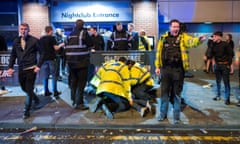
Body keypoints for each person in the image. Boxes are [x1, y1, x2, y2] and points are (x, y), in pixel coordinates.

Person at [154, 19, 206, 124]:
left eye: (177, 27)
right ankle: (162, 114)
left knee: (177, 94)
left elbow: (191, 42)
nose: (176, 28)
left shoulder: (183, 37)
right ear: (170, 27)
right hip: (165, 70)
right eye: (174, 26)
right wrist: (157, 66)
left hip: (178, 70)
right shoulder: (163, 38)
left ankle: (176, 117)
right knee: (164, 94)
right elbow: (159, 53)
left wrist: (198, 40)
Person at [7, 23, 44, 119]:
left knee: (28, 89)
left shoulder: (34, 40)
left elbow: (42, 53)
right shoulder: (16, 41)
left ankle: (26, 110)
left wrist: (38, 66)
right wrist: (10, 67)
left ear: (29, 30)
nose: (23, 31)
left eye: (25, 29)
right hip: (21, 68)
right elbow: (13, 55)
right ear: (19, 30)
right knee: (24, 88)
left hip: (31, 68)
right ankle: (35, 98)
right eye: (22, 29)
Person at [65, 19, 93, 110]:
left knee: (74, 81)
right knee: (81, 83)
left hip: (71, 63)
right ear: (83, 25)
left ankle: (73, 99)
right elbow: (90, 44)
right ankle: (79, 103)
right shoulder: (83, 33)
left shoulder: (69, 35)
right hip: (81, 62)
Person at [39, 26, 64, 97]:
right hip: (51, 59)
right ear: (50, 31)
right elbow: (56, 48)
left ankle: (46, 91)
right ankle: (55, 91)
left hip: (43, 60)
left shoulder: (41, 39)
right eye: (52, 31)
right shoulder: (52, 38)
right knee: (54, 76)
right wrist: (61, 45)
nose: (53, 32)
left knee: (45, 76)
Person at [210, 31, 233, 105]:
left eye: (215, 36)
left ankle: (227, 98)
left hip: (224, 65)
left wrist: (228, 65)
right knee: (218, 81)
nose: (214, 38)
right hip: (217, 65)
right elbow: (211, 55)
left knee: (226, 82)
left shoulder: (226, 45)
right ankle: (218, 95)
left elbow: (231, 55)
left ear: (219, 37)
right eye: (213, 36)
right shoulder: (213, 45)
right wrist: (213, 65)